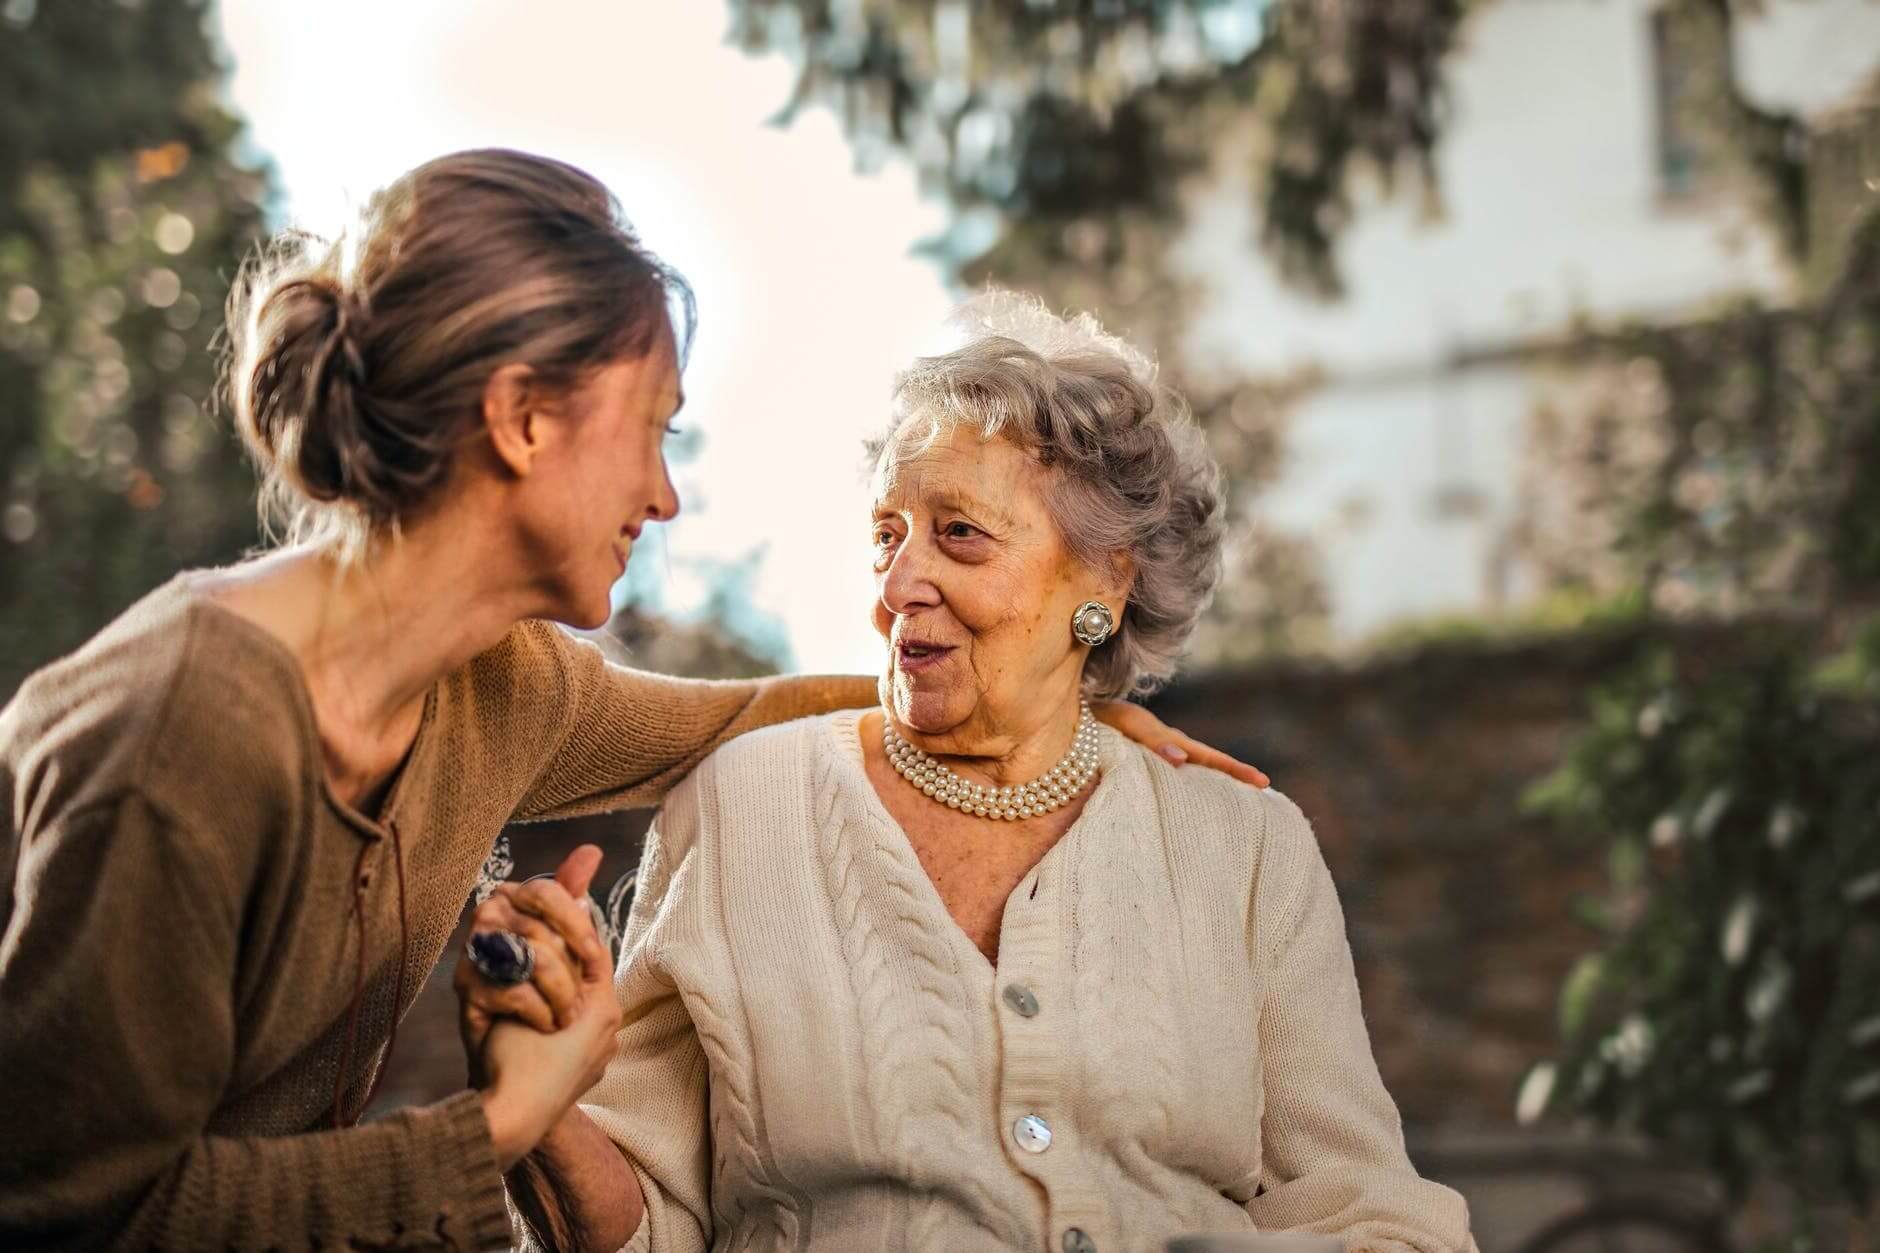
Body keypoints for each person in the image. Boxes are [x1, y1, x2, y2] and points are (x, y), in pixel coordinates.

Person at [0, 152, 1259, 1251]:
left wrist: (1041, 710)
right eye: (651, 428)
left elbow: (735, 716)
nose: (663, 496)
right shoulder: (185, 733)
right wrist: (500, 1122)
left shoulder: (496, 684)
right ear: (522, 419)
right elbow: (74, 1209)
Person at [486, 294, 1478, 1253]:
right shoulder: (740, 807)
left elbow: (1358, 1196)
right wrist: (541, 1104)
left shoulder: (1244, 845)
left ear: (1104, 578)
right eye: (887, 536)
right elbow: (639, 1224)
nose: (896, 584)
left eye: (958, 532)